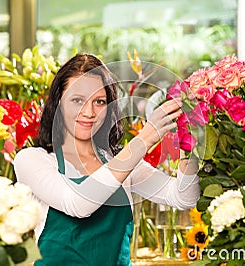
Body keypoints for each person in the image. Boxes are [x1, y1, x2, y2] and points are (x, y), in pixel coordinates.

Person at [13, 53, 200, 266]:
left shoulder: (119, 162)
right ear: (59, 104)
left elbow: (183, 198)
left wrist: (190, 140)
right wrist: (146, 138)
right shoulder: (33, 160)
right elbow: (78, 204)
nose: (89, 112)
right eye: (77, 100)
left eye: (99, 101)